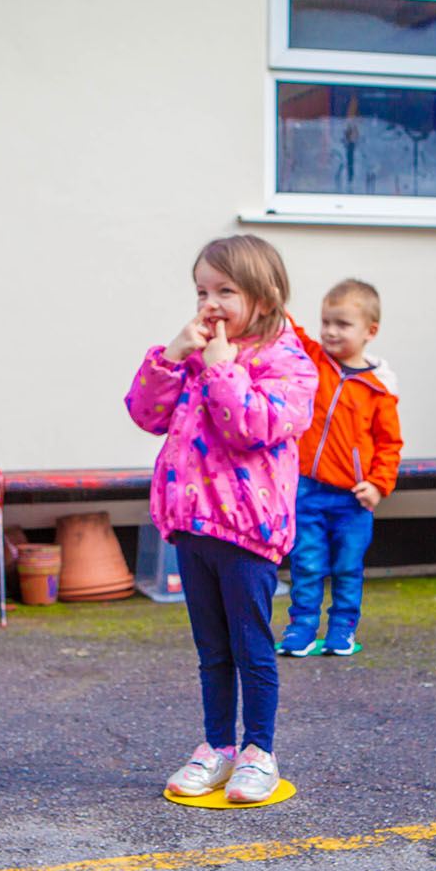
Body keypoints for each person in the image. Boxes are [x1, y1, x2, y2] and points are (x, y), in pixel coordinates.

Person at [124, 235, 318, 803]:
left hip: (247, 531)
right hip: (192, 524)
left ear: (266, 295)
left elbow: (249, 427)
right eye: (201, 291)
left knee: (250, 646)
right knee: (211, 649)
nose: (209, 304)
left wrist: (221, 369)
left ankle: (259, 750)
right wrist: (171, 355)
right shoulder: (200, 353)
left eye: (225, 291)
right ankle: (217, 747)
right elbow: (146, 413)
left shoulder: (290, 363)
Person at [278, 279, 402, 658]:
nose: (330, 331)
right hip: (307, 491)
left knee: (348, 568)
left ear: (370, 332)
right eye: (326, 321)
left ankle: (342, 630)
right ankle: (301, 628)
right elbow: (290, 328)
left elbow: (390, 444)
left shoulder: (378, 388)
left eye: (342, 324)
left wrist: (379, 486)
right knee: (307, 564)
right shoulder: (315, 359)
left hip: (353, 499)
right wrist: (268, 293)